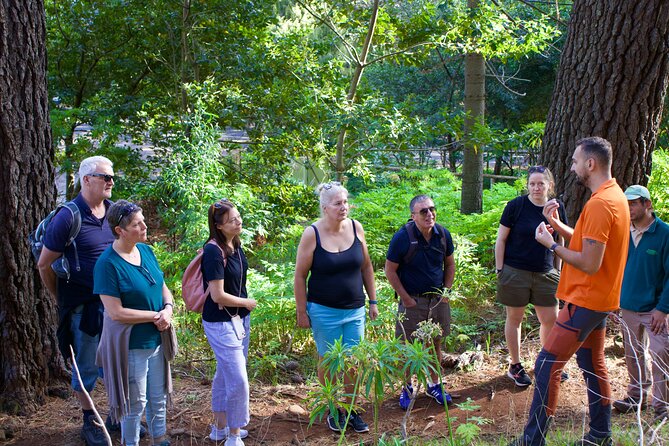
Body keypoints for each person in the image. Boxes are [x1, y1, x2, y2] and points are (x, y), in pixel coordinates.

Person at [510, 137, 630, 446]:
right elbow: (591, 242)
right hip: (601, 300)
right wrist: (557, 225)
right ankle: (601, 436)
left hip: (586, 299)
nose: (573, 167)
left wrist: (550, 245)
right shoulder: (613, 195)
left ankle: (532, 441)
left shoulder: (601, 203)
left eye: (576, 161)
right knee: (593, 364)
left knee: (547, 364)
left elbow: (590, 263)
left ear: (591, 163)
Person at [37, 156, 116, 446]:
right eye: (105, 177)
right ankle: (90, 420)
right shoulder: (69, 216)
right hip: (83, 308)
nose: (110, 182)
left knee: (114, 363)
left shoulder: (113, 213)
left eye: (111, 178)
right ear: (86, 180)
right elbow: (44, 264)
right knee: (85, 366)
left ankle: (116, 416)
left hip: (114, 307)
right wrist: (62, 299)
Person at [294, 181, 378, 434]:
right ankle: (332, 408)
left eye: (345, 202)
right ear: (324, 207)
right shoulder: (312, 233)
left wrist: (372, 301)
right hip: (323, 310)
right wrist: (301, 311)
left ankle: (351, 408)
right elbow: (300, 276)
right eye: (337, 203)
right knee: (329, 361)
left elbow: (366, 267)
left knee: (354, 361)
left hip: (355, 309)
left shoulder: (356, 227)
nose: (344, 207)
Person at [94, 200, 174, 446]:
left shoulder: (146, 252)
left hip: (157, 339)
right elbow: (115, 312)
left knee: (158, 396)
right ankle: (132, 442)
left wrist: (168, 310)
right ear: (120, 230)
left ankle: (159, 438)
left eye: (143, 222)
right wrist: (154, 316)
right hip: (131, 345)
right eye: (137, 224)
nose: (144, 226)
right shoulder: (107, 264)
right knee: (134, 402)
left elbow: (163, 289)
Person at [495, 166, 566, 387]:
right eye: (532, 183)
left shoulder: (556, 207)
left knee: (550, 321)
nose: (536, 188)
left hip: (546, 272)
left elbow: (561, 238)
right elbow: (501, 239)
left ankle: (546, 363)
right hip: (515, 271)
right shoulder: (516, 206)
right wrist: (500, 270)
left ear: (549, 186)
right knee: (514, 319)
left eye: (541, 183)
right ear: (527, 185)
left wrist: (558, 268)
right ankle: (515, 366)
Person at [385, 194, 456, 410]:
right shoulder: (402, 238)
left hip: (437, 300)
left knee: (435, 342)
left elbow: (450, 264)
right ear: (413, 215)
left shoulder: (442, 234)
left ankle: (434, 384)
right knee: (408, 346)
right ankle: (406, 387)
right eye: (423, 211)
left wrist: (446, 292)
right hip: (412, 302)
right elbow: (390, 270)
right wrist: (405, 298)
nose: (430, 214)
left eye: (432, 209)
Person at [201, 199, 255, 446]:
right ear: (219, 226)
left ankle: (220, 428)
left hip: (239, 321)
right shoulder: (213, 251)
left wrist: (244, 309)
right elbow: (217, 295)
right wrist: (246, 303)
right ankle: (234, 435)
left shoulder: (236, 244)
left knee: (225, 374)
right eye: (233, 219)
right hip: (221, 323)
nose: (239, 221)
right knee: (238, 379)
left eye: (239, 216)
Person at [613, 185, 669, 421]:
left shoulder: (664, 233)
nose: (629, 208)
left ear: (648, 204)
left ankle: (662, 406)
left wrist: (663, 309)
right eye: (626, 204)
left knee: (659, 353)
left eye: (634, 203)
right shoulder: (624, 232)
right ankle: (636, 397)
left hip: (655, 309)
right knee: (632, 353)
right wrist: (614, 301)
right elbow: (615, 269)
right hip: (628, 306)